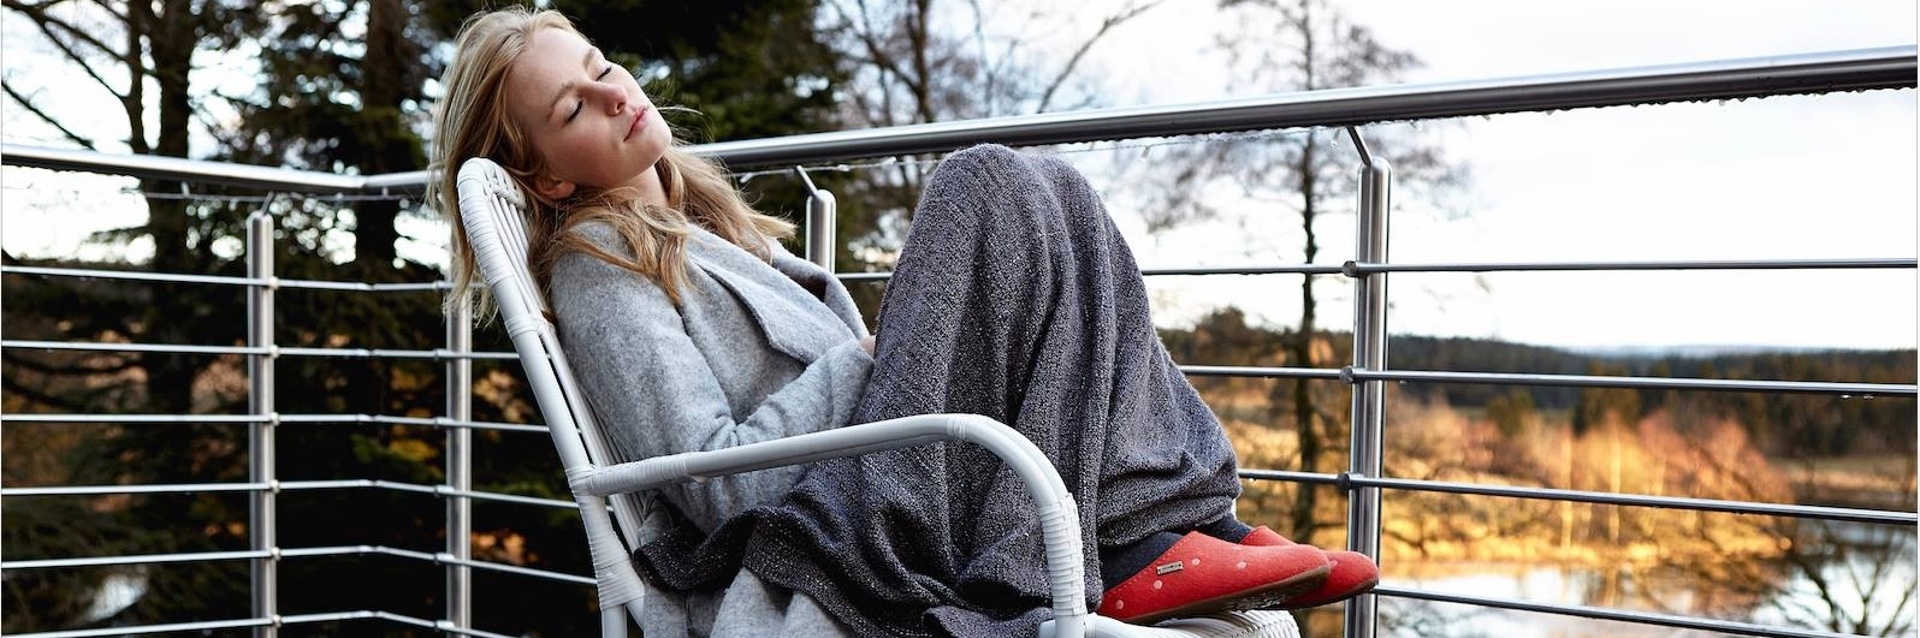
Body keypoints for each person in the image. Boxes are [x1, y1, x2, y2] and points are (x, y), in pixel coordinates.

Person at [429, 7, 1377, 637]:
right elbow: (711, 486)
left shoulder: (709, 232)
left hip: (888, 486)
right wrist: (868, 361)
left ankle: (1173, 529)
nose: (615, 92)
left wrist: (881, 361)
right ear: (549, 175)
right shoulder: (602, 272)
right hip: (831, 536)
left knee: (1053, 193)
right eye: (574, 107)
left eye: (601, 67)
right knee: (984, 182)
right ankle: (1138, 543)